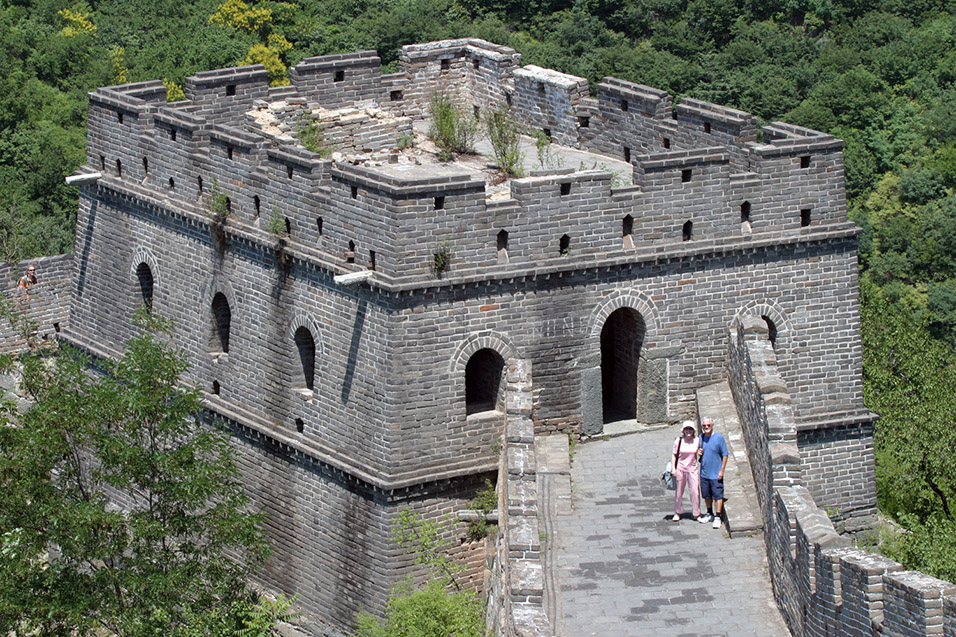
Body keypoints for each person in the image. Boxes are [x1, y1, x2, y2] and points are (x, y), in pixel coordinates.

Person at [698, 416, 729, 529]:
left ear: (712, 426)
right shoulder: (700, 438)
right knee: (706, 495)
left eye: (708, 425)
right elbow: (700, 458)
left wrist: (721, 471)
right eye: (704, 426)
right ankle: (709, 513)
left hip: (715, 473)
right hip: (704, 472)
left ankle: (718, 516)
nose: (706, 427)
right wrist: (699, 454)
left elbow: (725, 455)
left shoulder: (719, 438)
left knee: (718, 495)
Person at [670, 420, 703, 522]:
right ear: (683, 431)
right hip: (681, 468)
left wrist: (700, 453)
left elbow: (699, 453)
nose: (688, 431)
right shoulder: (679, 441)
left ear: (693, 430)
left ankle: (696, 513)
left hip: (692, 468)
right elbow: (674, 455)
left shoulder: (697, 440)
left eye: (690, 429)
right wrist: (673, 468)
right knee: (679, 492)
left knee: (695, 491)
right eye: (686, 429)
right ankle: (677, 512)